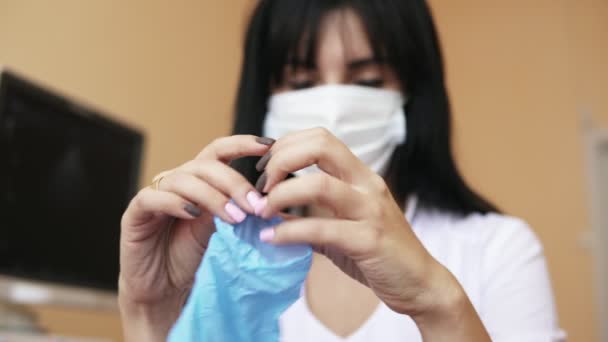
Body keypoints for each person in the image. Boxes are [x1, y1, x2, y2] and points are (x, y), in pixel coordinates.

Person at [118, 0, 565, 341]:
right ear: (268, 99)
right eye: (300, 83)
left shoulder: (499, 248)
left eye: (367, 81)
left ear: (411, 98)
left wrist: (437, 300)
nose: (331, 109)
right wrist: (150, 315)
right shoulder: (228, 261)